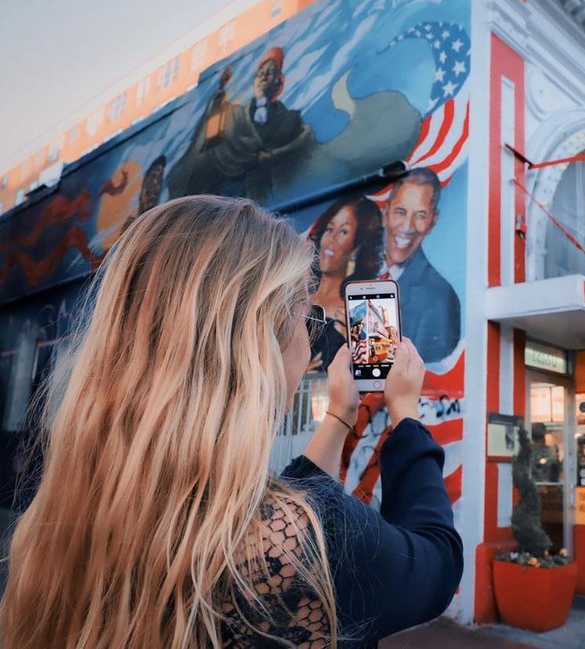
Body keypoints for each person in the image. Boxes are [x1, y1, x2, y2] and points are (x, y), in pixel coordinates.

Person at [0, 196, 462, 648]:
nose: (312, 335)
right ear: (261, 342)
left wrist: (341, 412)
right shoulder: (305, 545)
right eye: (308, 317)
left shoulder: (72, 504)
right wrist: (405, 415)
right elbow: (436, 562)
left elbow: (295, 503)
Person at [167, 47, 312, 202]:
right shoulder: (236, 115)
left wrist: (273, 156)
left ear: (279, 80)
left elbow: (301, 144)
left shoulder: (289, 119)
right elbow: (212, 132)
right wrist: (220, 91)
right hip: (226, 194)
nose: (263, 76)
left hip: (259, 194)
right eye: (260, 72)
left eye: (270, 72)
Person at [383, 168, 460, 363]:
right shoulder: (361, 274)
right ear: (386, 212)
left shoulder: (439, 298)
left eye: (420, 216)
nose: (407, 227)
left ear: (433, 221)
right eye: (400, 212)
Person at [309, 196, 384, 371]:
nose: (331, 239)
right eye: (329, 229)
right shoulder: (295, 297)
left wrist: (353, 346)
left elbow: (376, 374)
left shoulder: (363, 309)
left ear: (357, 248)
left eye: (343, 232)